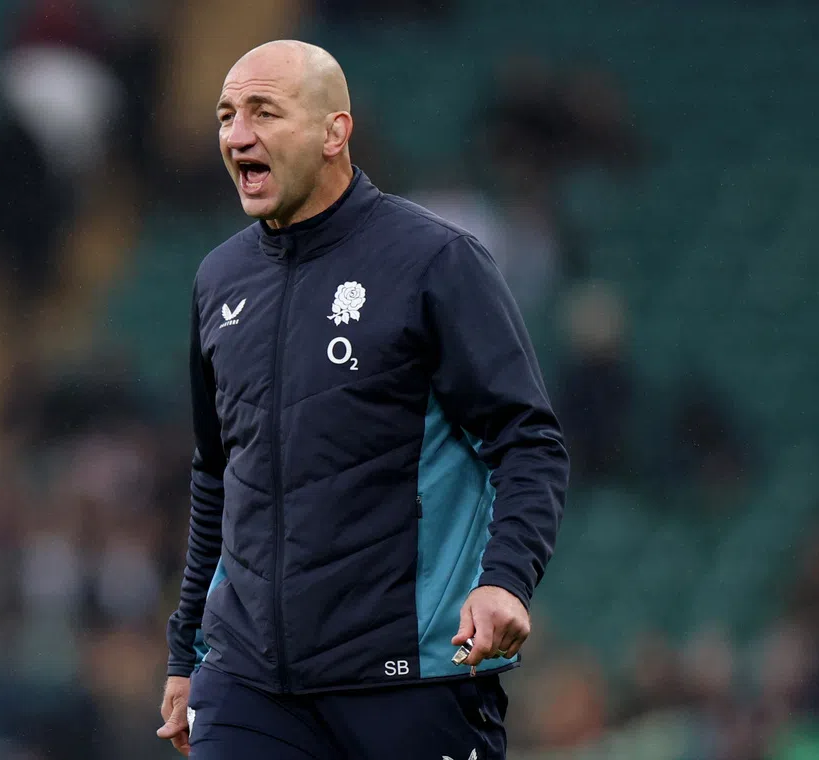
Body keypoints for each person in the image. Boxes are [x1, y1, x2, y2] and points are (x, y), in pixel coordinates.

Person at [157, 40, 569, 760]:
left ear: (334, 132)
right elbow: (218, 475)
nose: (237, 135)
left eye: (263, 112)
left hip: (406, 676)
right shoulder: (219, 280)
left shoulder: (435, 260)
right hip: (248, 682)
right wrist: (186, 652)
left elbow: (527, 442)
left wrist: (506, 581)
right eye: (226, 116)